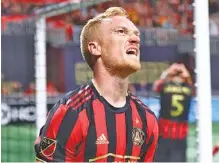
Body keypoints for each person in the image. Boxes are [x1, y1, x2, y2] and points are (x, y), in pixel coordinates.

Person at [34, 7, 158, 162]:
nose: (135, 39)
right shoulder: (71, 112)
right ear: (95, 48)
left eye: (136, 34)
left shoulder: (147, 119)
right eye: (121, 31)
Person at [153, 63, 194, 162]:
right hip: (180, 133)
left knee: (160, 159)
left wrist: (167, 72)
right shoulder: (188, 89)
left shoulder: (165, 86)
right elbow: (193, 88)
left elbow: (156, 86)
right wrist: (187, 75)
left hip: (164, 130)